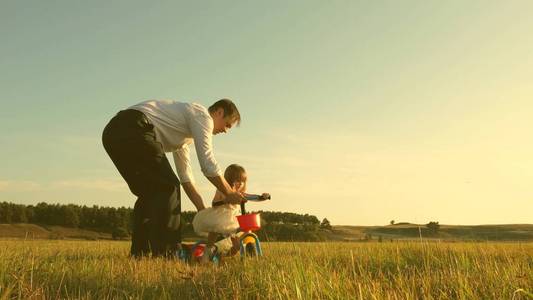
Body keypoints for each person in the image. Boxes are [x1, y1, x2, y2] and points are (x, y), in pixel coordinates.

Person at [102, 99, 245, 258]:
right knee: (168, 187)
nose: (225, 131)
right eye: (227, 125)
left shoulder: (183, 136)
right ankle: (168, 253)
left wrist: (203, 212)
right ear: (219, 112)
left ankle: (139, 253)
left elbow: (186, 178)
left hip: (112, 133)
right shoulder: (202, 116)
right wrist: (229, 192)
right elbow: (208, 163)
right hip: (134, 127)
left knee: (149, 193)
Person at [192, 164, 269, 262]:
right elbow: (214, 203)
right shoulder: (222, 190)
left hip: (235, 218)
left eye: (243, 181)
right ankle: (208, 250)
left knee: (240, 236)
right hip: (221, 215)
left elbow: (251, 197)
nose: (240, 184)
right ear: (229, 180)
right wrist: (226, 200)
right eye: (238, 181)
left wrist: (262, 197)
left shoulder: (240, 193)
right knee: (215, 229)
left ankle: (238, 251)